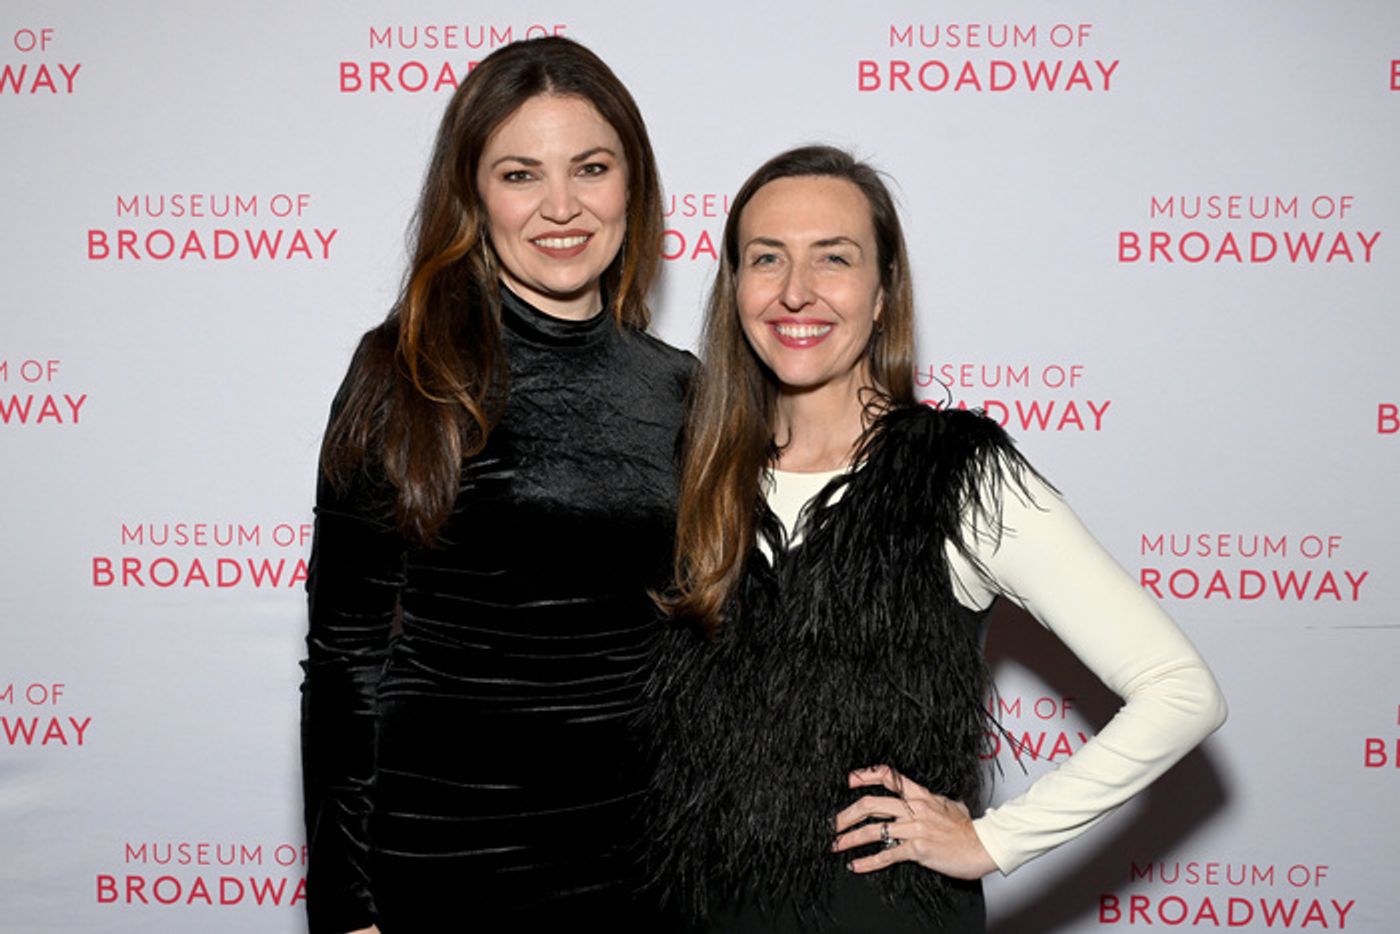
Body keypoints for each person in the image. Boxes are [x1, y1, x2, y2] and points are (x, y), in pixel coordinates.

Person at [647, 145, 1227, 932]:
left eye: (835, 259)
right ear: (735, 286)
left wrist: (996, 839)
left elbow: (1180, 690)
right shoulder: (690, 470)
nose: (795, 292)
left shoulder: (957, 474)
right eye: (767, 259)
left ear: (883, 292)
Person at [300, 36, 693, 933]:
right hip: (443, 861)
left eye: (590, 168)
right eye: (521, 174)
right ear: (473, 193)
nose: (562, 206)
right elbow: (343, 663)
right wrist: (350, 910)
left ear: (632, 184)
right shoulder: (403, 371)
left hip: (641, 864)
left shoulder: (686, 389)